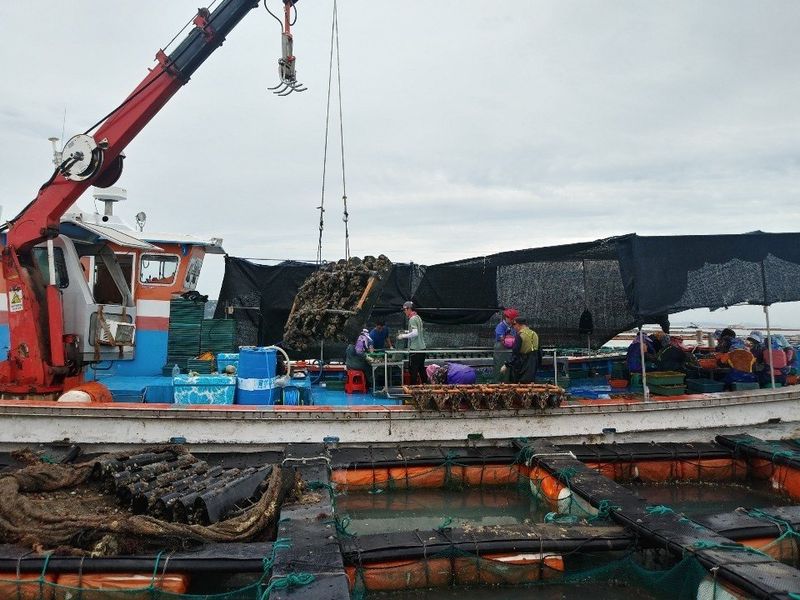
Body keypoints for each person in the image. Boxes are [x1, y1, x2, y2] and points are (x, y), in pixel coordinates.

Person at [398, 301, 428, 384]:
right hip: (422, 348)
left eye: (405, 310)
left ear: (409, 309)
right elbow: (417, 331)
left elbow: (415, 333)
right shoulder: (418, 317)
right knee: (421, 369)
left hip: (415, 349)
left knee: (413, 370)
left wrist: (403, 336)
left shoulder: (412, 319)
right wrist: (407, 332)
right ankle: (425, 386)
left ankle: (413, 388)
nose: (404, 312)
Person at [505, 317, 539, 384]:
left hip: (523, 364)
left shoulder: (520, 335)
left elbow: (515, 353)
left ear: (518, 324)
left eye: (514, 325)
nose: (514, 327)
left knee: (520, 385)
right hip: (534, 363)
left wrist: (506, 365)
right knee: (530, 384)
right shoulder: (534, 334)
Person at [493, 308, 518, 383]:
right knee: (501, 368)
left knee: (510, 369)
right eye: (512, 319)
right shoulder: (500, 327)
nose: (513, 321)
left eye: (514, 319)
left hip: (510, 351)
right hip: (501, 351)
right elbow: (502, 339)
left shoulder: (513, 326)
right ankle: (499, 384)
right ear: (506, 317)